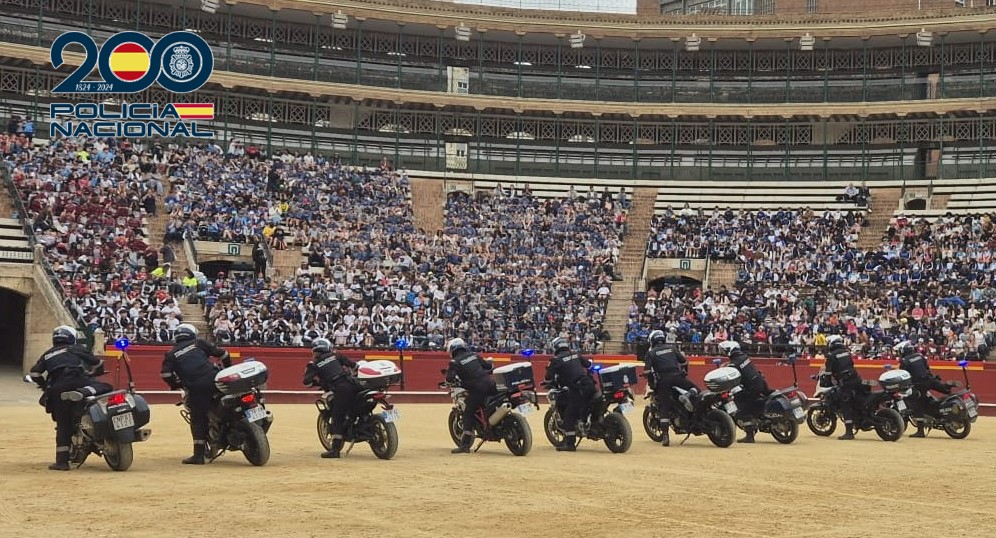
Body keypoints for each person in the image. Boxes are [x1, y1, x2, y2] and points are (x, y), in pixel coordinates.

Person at [29, 326, 112, 471]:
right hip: (78, 379)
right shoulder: (75, 348)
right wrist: (94, 374)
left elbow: (35, 374)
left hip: (58, 387)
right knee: (106, 386)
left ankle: (62, 462)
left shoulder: (47, 354)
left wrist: (45, 387)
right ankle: (84, 392)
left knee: (63, 424)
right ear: (71, 338)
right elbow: (98, 363)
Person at [160, 323, 231, 464]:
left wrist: (175, 385)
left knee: (198, 419)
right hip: (216, 379)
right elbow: (224, 354)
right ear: (192, 333)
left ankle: (198, 455)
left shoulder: (171, 354)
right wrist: (228, 368)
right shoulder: (198, 343)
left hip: (197, 388)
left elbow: (166, 374)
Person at [302, 338, 360, 458]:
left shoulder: (314, 364)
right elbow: (355, 366)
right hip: (354, 386)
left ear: (315, 351)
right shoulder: (336, 355)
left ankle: (335, 450)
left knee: (337, 417)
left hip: (340, 390)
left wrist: (316, 382)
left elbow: (306, 382)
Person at [643, 329, 695, 447]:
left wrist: (649, 380)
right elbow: (684, 362)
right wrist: (684, 373)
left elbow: (647, 371)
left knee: (664, 406)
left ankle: (665, 436)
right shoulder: (672, 348)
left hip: (664, 381)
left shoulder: (651, 353)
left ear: (652, 340)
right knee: (696, 389)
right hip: (678, 377)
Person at [543, 336, 596, 452]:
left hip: (578, 388)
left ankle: (570, 444)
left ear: (555, 347)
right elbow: (588, 365)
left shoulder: (556, 360)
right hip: (590, 386)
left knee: (569, 414)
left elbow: (547, 378)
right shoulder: (576, 354)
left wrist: (548, 381)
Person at [444, 338, 495, 454]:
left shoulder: (454, 362)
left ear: (452, 350)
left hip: (477, 390)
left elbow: (449, 378)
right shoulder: (474, 355)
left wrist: (449, 380)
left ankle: (465, 446)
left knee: (468, 413)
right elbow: (488, 366)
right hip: (491, 385)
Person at [895, 340, 951, 438]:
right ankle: (951, 396)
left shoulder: (905, 361)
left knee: (917, 404)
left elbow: (903, 376)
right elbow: (927, 369)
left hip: (919, 384)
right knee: (944, 389)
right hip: (929, 379)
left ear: (903, 351)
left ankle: (920, 431)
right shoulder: (920, 356)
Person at [718, 340, 771, 444]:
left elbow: (730, 371)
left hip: (752, 388)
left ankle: (750, 435)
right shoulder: (744, 357)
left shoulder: (734, 364)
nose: (723, 352)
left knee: (741, 408)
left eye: (724, 350)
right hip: (761, 383)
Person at [823, 334, 863, 440]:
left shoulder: (831, 355)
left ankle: (849, 432)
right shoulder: (847, 352)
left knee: (845, 404)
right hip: (856, 379)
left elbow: (828, 374)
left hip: (846, 382)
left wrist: (827, 383)